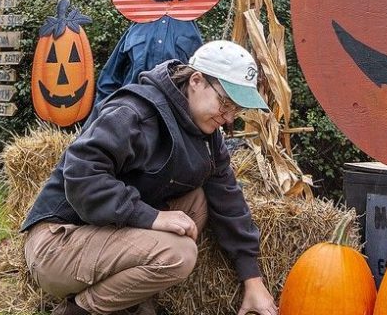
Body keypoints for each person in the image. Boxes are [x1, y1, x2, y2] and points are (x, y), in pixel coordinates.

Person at [21, 40, 278, 315]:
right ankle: (80, 310)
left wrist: (253, 281)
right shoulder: (134, 112)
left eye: (236, 110)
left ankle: (125, 299)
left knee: (198, 201)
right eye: (225, 103)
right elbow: (82, 176)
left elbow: (228, 201)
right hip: (58, 243)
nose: (228, 118)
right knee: (179, 254)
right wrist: (153, 218)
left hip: (102, 234)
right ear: (196, 80)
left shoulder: (207, 135)